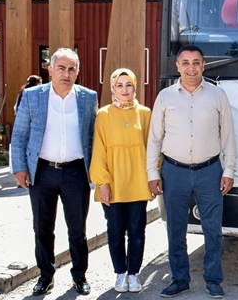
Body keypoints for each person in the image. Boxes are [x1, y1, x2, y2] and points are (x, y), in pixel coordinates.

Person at [146, 45, 238, 299]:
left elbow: (228, 135)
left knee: (212, 230)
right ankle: (179, 279)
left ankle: (213, 279)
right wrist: (152, 173)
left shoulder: (218, 95)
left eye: (196, 62)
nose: (191, 67)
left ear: (203, 65)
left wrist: (228, 169)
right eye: (185, 62)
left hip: (210, 171)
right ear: (177, 66)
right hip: (174, 172)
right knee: (175, 229)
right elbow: (155, 138)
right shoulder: (165, 97)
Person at [10, 48, 98, 296]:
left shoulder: (88, 98)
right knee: (42, 229)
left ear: (77, 72)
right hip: (42, 173)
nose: (66, 73)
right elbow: (19, 136)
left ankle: (79, 276)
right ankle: (46, 276)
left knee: (77, 229)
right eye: (61, 68)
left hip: (75, 173)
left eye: (71, 69)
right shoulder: (32, 96)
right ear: (50, 70)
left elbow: (93, 136)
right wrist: (19, 168)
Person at [89, 68, 152, 293]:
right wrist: (102, 183)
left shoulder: (145, 114)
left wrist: (153, 178)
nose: (125, 90)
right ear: (113, 88)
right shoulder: (104, 115)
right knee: (115, 231)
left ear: (135, 87)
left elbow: (154, 150)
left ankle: (134, 274)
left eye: (129, 85)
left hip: (138, 183)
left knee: (137, 231)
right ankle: (120, 273)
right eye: (120, 85)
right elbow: (99, 151)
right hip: (113, 184)